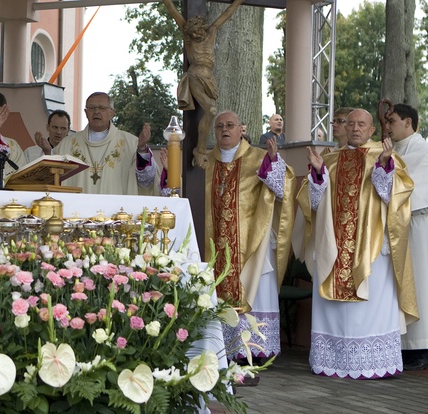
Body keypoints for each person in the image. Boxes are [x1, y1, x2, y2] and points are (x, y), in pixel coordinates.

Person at [293, 108, 418, 379]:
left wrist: (385, 168)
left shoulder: (384, 156)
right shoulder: (330, 159)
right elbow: (313, 204)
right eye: (350, 124)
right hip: (334, 244)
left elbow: (395, 199)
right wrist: (317, 176)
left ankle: (371, 364)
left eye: (362, 124)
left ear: (372, 130)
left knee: (372, 301)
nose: (356, 128)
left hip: (370, 246)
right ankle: (333, 361)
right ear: (343, 128)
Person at [204, 111, 295, 363]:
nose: (224, 130)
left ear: (241, 129)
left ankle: (255, 349)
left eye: (230, 125)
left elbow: (282, 192)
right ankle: (221, 347)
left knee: (255, 288)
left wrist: (274, 163)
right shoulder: (205, 162)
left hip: (251, 242)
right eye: (220, 126)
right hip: (214, 244)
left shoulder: (259, 157)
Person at [161, 0, 244, 168]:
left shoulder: (211, 32)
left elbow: (226, 14)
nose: (197, 35)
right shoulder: (189, 38)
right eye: (193, 33)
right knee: (211, 110)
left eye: (199, 31)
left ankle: (199, 149)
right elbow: (173, 11)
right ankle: (200, 149)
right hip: (194, 77)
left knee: (210, 111)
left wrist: (237, 3)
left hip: (209, 80)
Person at [386, 103, 428, 370]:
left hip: (415, 225)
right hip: (394, 226)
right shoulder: (394, 149)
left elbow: (410, 185)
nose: (388, 126)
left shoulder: (422, 150)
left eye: (392, 121)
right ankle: (400, 345)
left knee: (420, 285)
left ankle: (421, 346)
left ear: (408, 122)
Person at [52, 92, 158, 195]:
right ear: (85, 112)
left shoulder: (131, 143)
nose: (96, 112)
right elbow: (51, 180)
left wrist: (142, 149)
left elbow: (146, 181)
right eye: (92, 108)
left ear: (112, 113)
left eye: (102, 108)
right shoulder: (67, 145)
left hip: (118, 211)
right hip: (76, 212)